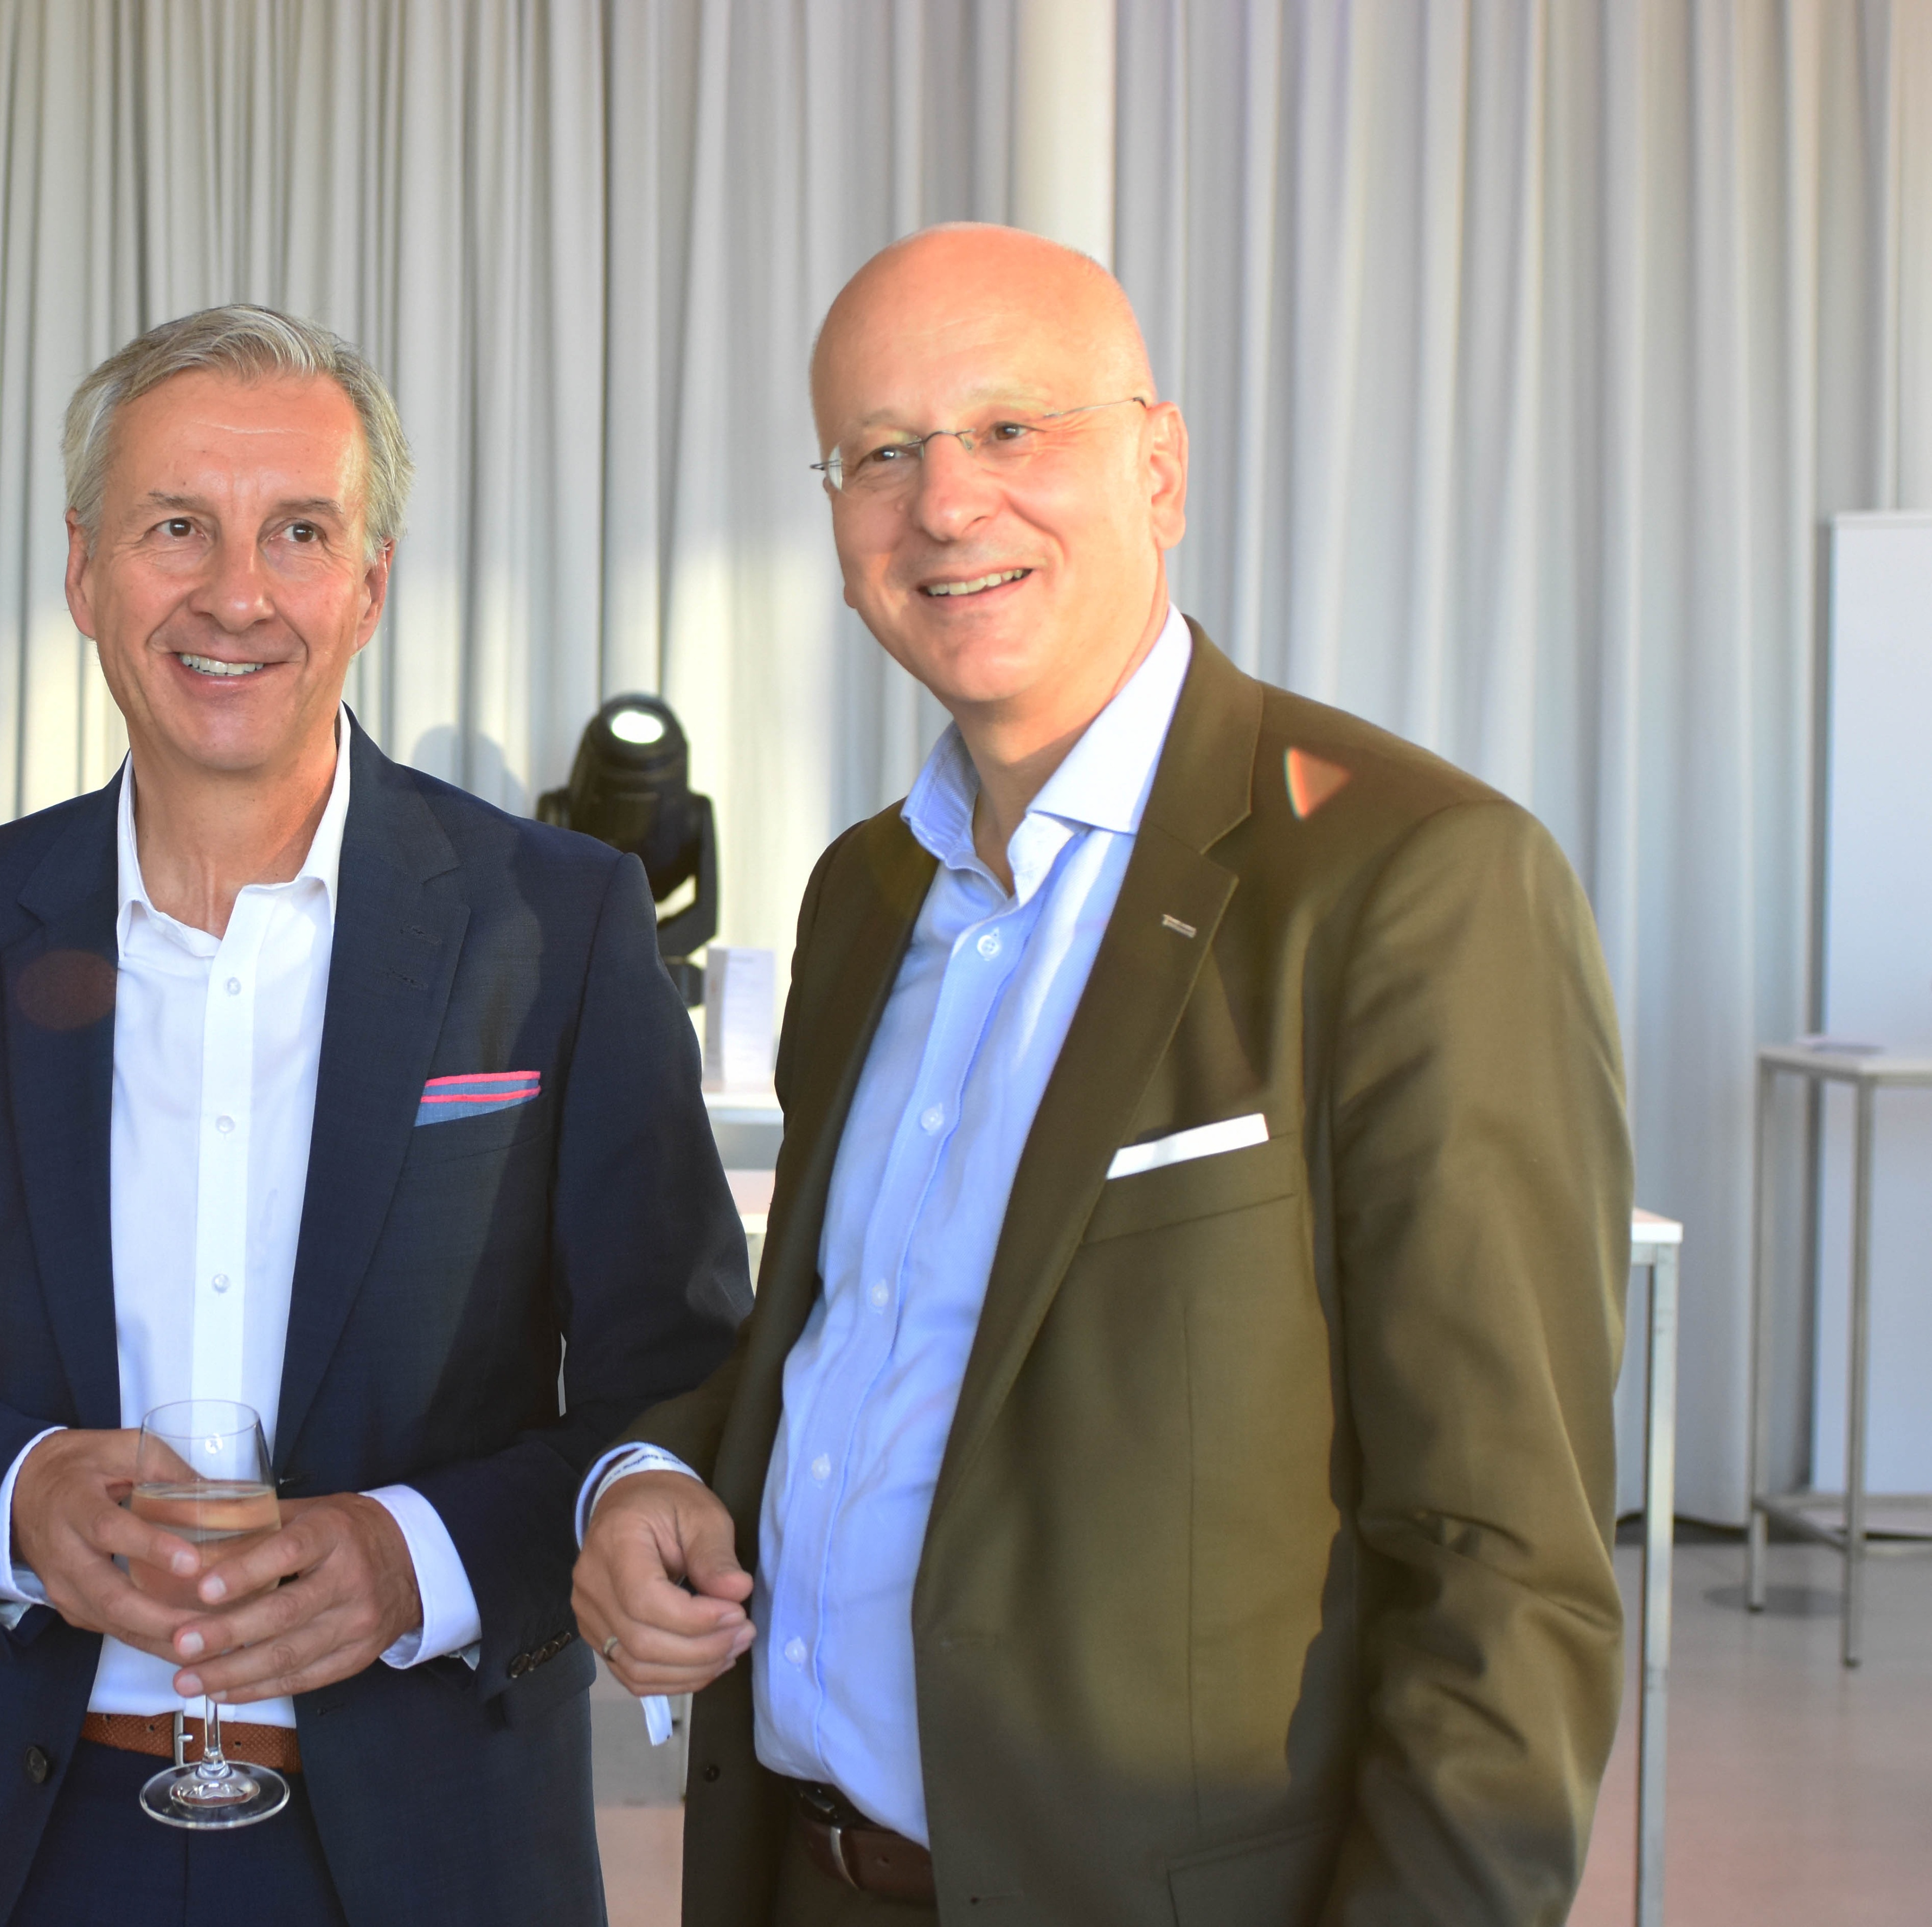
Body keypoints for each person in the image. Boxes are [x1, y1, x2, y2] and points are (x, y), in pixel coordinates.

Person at [572, 226, 1629, 1926]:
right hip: (799, 1870)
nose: (944, 503)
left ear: (1159, 468)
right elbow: (841, 1337)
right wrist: (649, 1475)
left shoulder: (1408, 882)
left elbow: (1504, 1568)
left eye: (1011, 429)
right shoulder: (865, 892)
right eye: (879, 453)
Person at [0, 305, 749, 1927]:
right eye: (175, 528)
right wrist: (18, 1496)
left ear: (370, 582)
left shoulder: (553, 923)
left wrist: (417, 1555)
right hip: (21, 1840)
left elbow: (675, 1374)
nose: (235, 592)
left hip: (432, 1840)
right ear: (85, 572)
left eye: (298, 531)